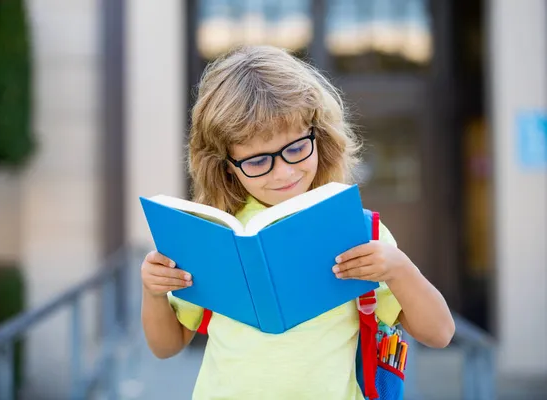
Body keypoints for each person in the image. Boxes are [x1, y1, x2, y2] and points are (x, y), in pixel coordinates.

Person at [140, 45, 454, 399]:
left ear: (318, 136)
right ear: (226, 164)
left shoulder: (356, 230)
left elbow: (440, 333)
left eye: (295, 149)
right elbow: (166, 347)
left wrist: (398, 268)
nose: (284, 172)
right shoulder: (214, 235)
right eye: (258, 162)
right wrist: (153, 292)